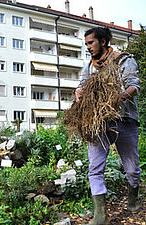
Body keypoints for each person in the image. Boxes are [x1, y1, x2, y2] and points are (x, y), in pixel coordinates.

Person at [75, 27, 140, 225]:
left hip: (125, 120)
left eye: (91, 43)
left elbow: (134, 86)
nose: (88, 48)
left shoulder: (123, 61)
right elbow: (83, 83)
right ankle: (100, 215)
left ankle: (133, 197)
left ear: (103, 42)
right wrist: (79, 90)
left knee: (132, 170)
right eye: (86, 44)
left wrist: (115, 100)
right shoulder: (90, 66)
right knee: (95, 168)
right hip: (99, 123)